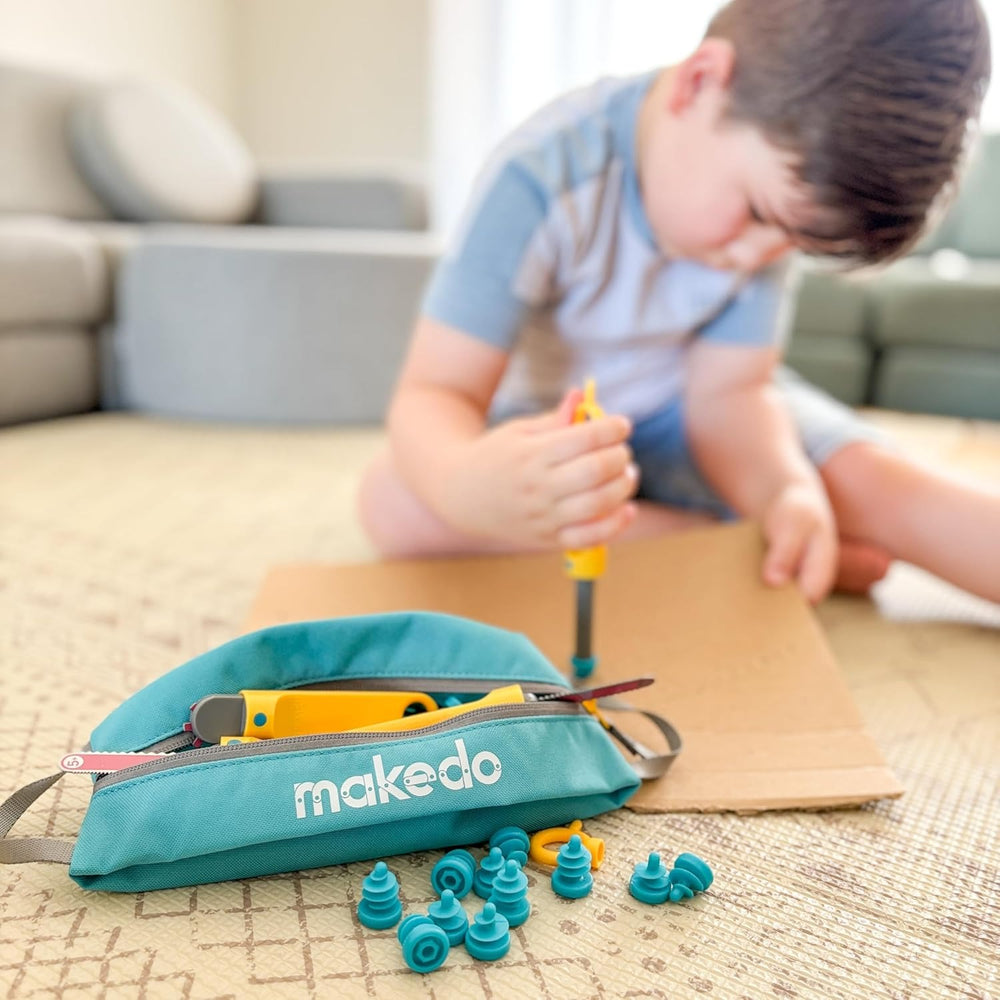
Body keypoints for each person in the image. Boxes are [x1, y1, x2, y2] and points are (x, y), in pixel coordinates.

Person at [359, 0, 998, 606]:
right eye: (755, 215)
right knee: (396, 504)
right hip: (555, 427)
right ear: (700, 83)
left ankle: (781, 536)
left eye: (794, 243)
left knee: (868, 483)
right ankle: (740, 547)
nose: (757, 257)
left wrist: (783, 489)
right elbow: (436, 393)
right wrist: (465, 483)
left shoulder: (766, 210)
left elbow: (732, 397)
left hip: (695, 406)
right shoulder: (541, 175)